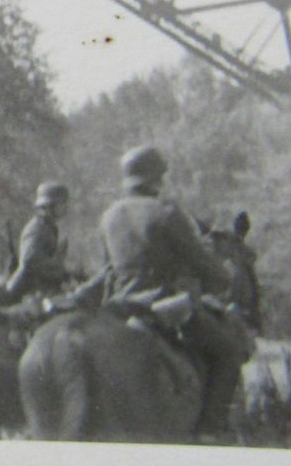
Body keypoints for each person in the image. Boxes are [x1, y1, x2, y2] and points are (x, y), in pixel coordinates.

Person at [99, 145, 248, 439]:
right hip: (163, 307)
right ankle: (210, 429)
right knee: (229, 352)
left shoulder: (109, 217)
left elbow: (108, 270)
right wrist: (222, 277)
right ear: (156, 179)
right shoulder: (166, 212)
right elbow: (204, 264)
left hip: (120, 308)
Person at [0, 182, 72, 317]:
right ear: (49, 206)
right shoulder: (36, 228)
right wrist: (58, 270)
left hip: (41, 285)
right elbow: (30, 261)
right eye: (61, 203)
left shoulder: (48, 227)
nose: (65, 207)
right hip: (27, 288)